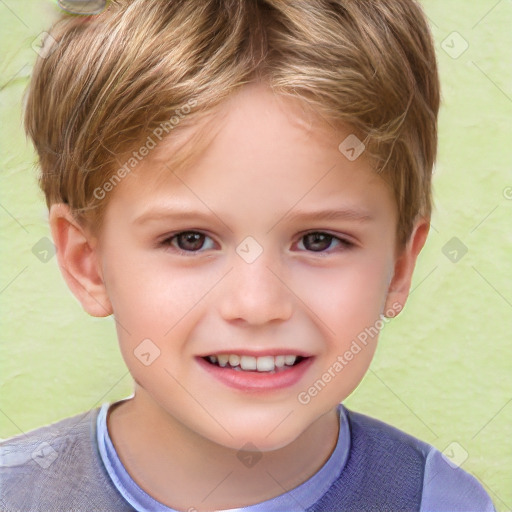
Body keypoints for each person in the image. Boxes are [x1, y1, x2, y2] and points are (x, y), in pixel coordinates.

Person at [0, 0, 497, 510]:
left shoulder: (438, 500)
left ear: (400, 265)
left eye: (319, 240)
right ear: (87, 263)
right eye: (190, 239)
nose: (257, 305)